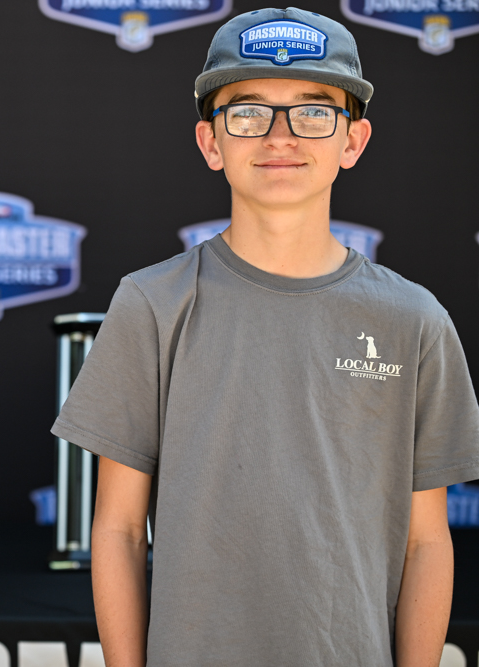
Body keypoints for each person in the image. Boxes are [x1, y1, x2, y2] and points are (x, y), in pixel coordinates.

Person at [52, 8, 479, 666]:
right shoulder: (152, 304)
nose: (280, 136)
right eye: (248, 112)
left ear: (353, 141)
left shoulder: (413, 320)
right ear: (210, 142)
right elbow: (118, 529)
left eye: (313, 111)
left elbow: (426, 542)